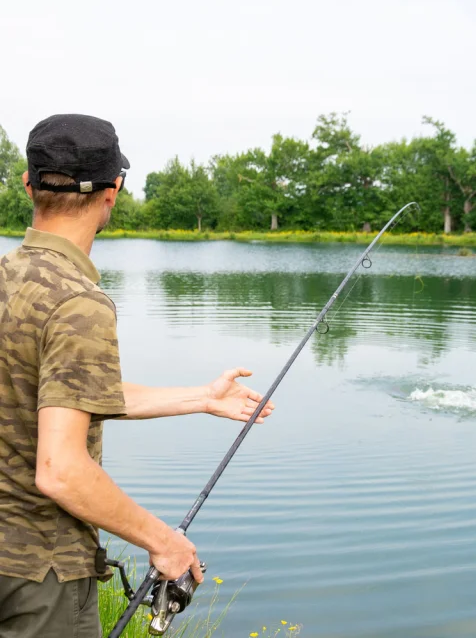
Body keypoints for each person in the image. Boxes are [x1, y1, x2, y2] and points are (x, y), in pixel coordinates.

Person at [0, 114, 275, 638]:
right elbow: (59, 469)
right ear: (114, 190)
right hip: (40, 576)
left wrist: (202, 396)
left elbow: (63, 394)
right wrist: (162, 542)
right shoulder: (78, 302)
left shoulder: (8, 276)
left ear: (28, 184)